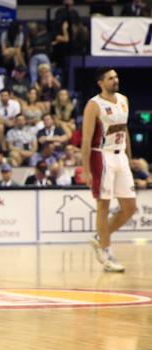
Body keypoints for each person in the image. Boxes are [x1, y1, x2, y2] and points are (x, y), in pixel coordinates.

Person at [82, 67, 136, 273]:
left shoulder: (124, 100)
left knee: (130, 208)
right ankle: (107, 252)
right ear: (101, 83)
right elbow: (86, 140)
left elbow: (125, 128)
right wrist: (86, 169)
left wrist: (128, 158)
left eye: (116, 77)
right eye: (111, 78)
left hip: (120, 156)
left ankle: (99, 237)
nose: (115, 80)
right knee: (103, 206)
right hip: (101, 157)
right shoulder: (94, 105)